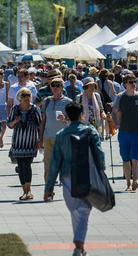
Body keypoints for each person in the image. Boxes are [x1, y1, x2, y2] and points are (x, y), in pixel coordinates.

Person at [44, 102, 105, 256]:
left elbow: (54, 162)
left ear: (68, 116)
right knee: (84, 211)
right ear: (81, 115)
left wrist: (49, 188)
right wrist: (101, 172)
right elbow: (99, 153)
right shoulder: (90, 131)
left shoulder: (61, 135)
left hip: (67, 178)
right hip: (85, 176)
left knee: (75, 212)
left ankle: (80, 247)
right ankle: (78, 244)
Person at [112, 73, 138, 192]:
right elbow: (114, 112)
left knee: (135, 158)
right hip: (124, 132)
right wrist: (115, 123)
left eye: (134, 81)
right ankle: (128, 183)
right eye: (130, 82)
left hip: (137, 131)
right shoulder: (120, 97)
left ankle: (135, 180)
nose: (133, 84)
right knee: (126, 159)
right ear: (125, 84)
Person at [8, 87, 42, 201]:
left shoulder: (35, 109)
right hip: (18, 142)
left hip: (30, 143)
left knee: (27, 165)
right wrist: (15, 121)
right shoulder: (14, 109)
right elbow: (10, 125)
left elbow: (39, 125)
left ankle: (29, 191)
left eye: (28, 95)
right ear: (19, 97)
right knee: (21, 167)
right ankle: (24, 191)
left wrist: (39, 140)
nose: (26, 97)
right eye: (23, 95)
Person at [38, 76, 73, 182]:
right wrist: (40, 139)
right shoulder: (46, 101)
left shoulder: (68, 102)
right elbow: (43, 121)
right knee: (48, 165)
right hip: (48, 137)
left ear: (62, 87)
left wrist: (65, 118)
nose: (55, 87)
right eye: (53, 85)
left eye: (58, 85)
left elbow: (74, 121)